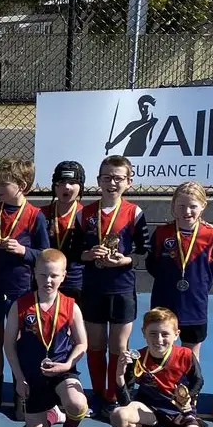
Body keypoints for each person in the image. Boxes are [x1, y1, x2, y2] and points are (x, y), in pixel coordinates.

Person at [0, 158, 49, 414]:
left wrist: (23, 250)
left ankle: (21, 394)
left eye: (3, 184)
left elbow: (44, 254)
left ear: (22, 186)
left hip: (20, 289)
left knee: (17, 342)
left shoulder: (35, 216)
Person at [4, 249, 90, 427]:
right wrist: (19, 378)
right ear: (34, 273)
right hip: (32, 377)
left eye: (54, 275)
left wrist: (68, 365)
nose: (48, 280)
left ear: (63, 276)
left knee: (78, 403)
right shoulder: (20, 305)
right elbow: (9, 345)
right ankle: (52, 414)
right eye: (43, 274)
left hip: (62, 372)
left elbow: (82, 344)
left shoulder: (71, 307)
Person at [79, 155, 148, 410]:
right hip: (94, 288)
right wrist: (88, 255)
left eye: (118, 178)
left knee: (119, 346)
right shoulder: (84, 213)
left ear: (129, 182)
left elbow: (144, 251)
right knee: (96, 344)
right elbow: (75, 250)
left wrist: (125, 260)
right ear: (98, 181)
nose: (112, 183)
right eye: (107, 178)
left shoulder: (134, 212)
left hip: (121, 288)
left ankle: (115, 391)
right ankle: (99, 393)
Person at [110, 308, 213, 427]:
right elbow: (126, 402)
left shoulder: (186, 355)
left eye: (165, 334)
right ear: (144, 332)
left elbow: (198, 381)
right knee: (118, 416)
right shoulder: (137, 358)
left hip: (178, 413)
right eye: (153, 333)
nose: (158, 339)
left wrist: (189, 398)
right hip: (150, 411)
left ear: (176, 334)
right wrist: (120, 375)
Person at [148, 181, 213, 361]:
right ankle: (161, 388)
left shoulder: (212, 235)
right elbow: (152, 264)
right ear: (173, 205)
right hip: (164, 300)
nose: (187, 211)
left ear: (203, 206)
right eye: (181, 206)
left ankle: (189, 389)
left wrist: (198, 286)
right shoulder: (161, 233)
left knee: (191, 353)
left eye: (193, 206)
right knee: (161, 347)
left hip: (194, 304)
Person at [41, 161, 86, 301]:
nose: (66, 187)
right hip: (45, 279)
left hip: (74, 280)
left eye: (72, 182)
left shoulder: (88, 216)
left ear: (81, 186)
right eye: (61, 182)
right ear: (54, 185)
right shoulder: (40, 214)